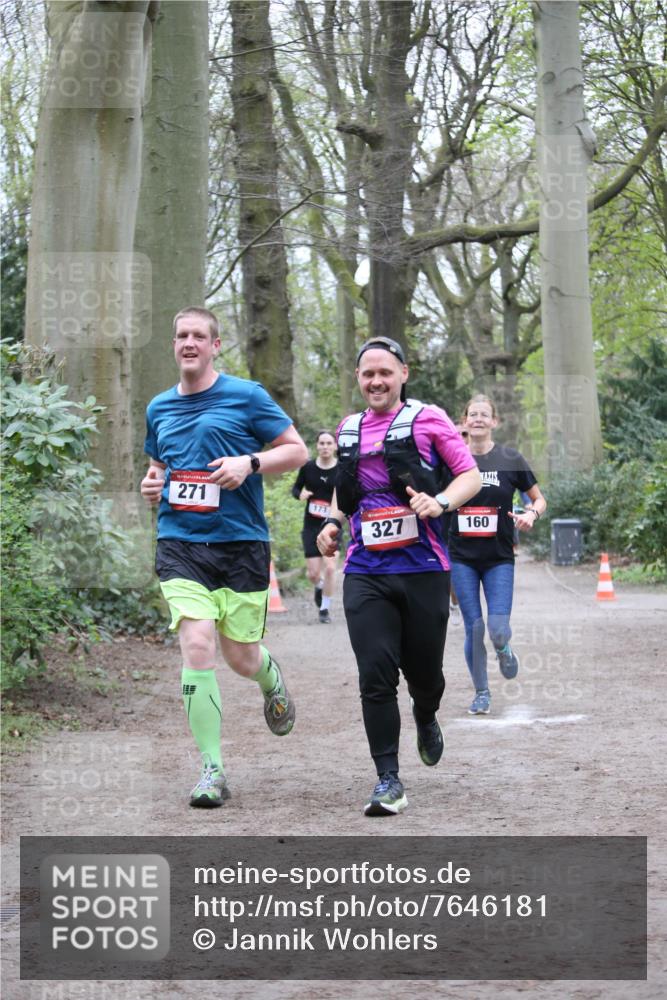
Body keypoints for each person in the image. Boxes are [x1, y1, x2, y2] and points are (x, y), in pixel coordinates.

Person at [140, 306, 308, 808]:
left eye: (199, 335)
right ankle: (212, 768)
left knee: (240, 655)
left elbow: (295, 450)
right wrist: (152, 486)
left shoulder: (246, 396)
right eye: (180, 335)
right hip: (180, 543)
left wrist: (249, 463)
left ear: (215, 345)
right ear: (174, 345)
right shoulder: (159, 408)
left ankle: (269, 676)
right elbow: (157, 468)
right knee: (196, 645)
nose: (188, 342)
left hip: (240, 544)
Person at [317, 337, 481, 817]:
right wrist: (331, 525)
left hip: (423, 569)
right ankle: (388, 778)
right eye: (368, 374)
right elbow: (342, 495)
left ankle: (426, 713)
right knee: (375, 676)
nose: (376, 381)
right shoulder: (347, 430)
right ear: (358, 379)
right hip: (366, 571)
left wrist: (441, 502)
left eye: (385, 372)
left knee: (426, 676)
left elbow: (468, 475)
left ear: (403, 373)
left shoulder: (427, 419)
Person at [447, 394, 546, 716]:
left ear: (494, 422)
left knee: (498, 627)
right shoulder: (451, 460)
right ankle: (481, 692)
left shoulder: (510, 458)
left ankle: (503, 648)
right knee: (473, 627)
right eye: (471, 414)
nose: (477, 419)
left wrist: (532, 514)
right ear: (463, 422)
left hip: (499, 557)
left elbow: (538, 499)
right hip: (461, 557)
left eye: (483, 414)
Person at [291, 430, 339, 623]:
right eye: (322, 443)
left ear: (335, 446)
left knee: (329, 568)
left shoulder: (342, 469)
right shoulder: (308, 468)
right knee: (313, 574)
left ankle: (324, 609)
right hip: (311, 525)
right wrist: (299, 495)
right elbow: (295, 488)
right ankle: (318, 586)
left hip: (332, 525)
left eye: (329, 443)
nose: (325, 447)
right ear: (317, 446)